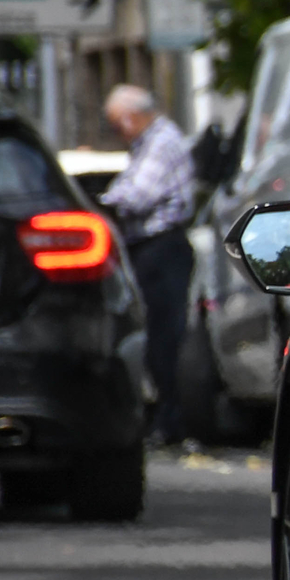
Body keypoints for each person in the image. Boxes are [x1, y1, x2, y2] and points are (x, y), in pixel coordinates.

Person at [100, 84, 198, 447]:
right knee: (156, 335)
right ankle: (164, 417)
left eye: (115, 124)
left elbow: (137, 196)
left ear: (130, 116)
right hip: (152, 248)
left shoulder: (161, 142)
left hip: (162, 248)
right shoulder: (148, 143)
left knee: (163, 337)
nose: (117, 132)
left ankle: (171, 420)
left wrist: (100, 203)